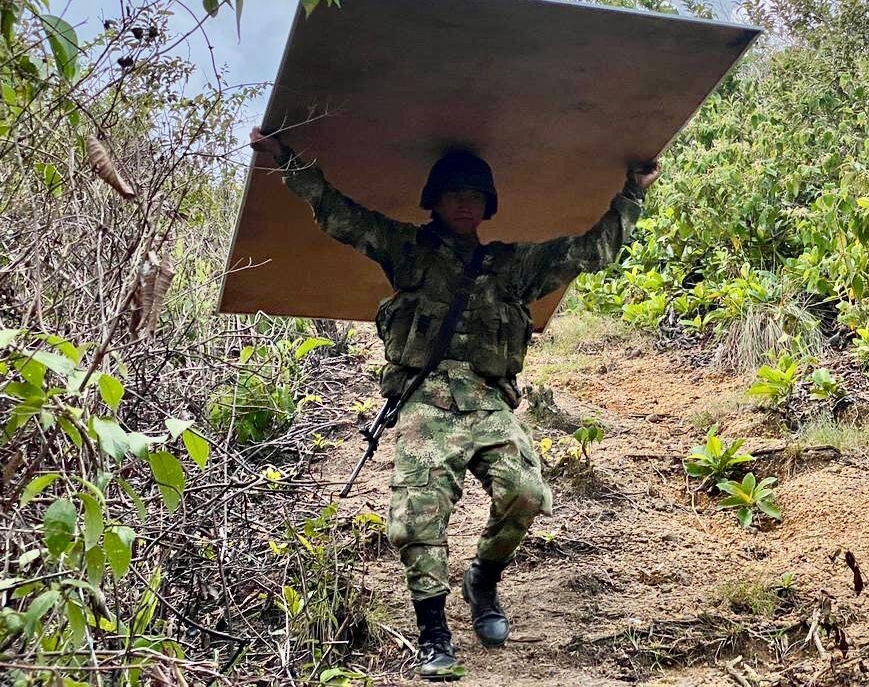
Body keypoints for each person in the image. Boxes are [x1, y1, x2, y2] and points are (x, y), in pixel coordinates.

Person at [248, 126, 658, 680]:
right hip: (426, 402)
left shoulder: (513, 265)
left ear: (487, 206)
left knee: (527, 493)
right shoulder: (407, 250)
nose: (465, 204)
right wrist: (285, 159)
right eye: (454, 195)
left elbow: (592, 250)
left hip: (488, 402)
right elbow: (339, 214)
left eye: (474, 196)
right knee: (419, 518)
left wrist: (632, 193)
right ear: (434, 202)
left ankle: (482, 581)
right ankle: (434, 635)